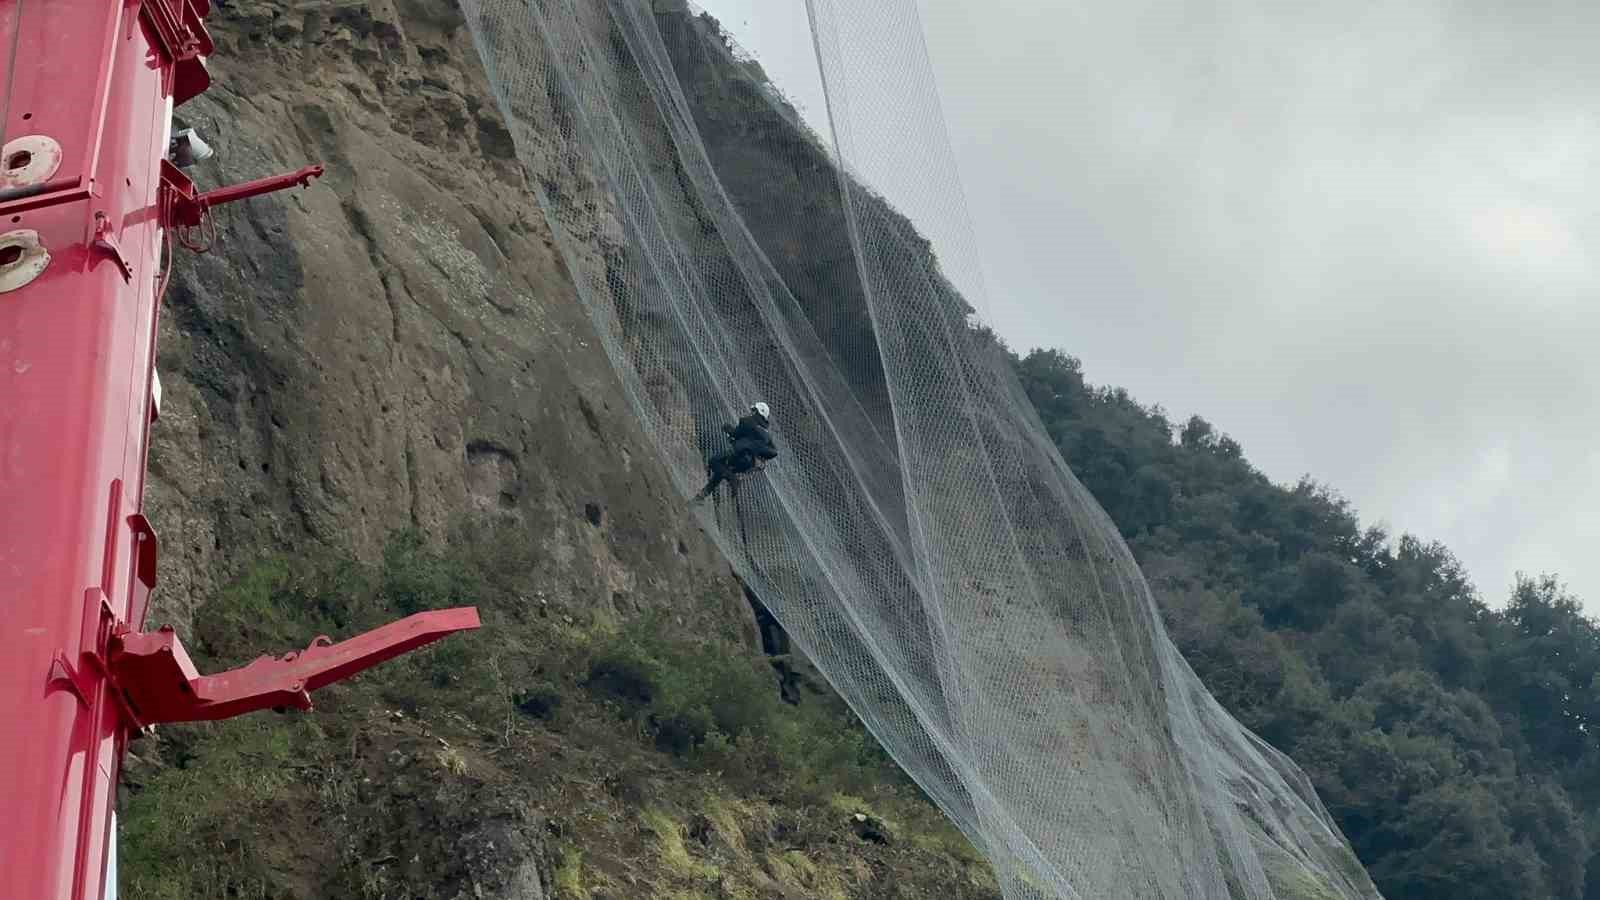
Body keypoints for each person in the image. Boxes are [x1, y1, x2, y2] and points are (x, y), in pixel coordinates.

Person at [695, 402, 778, 501]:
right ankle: (700, 497)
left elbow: (735, 434)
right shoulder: (767, 435)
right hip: (748, 464)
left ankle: (733, 479)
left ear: (757, 412)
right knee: (721, 471)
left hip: (737, 454)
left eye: (754, 410)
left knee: (713, 461)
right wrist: (757, 452)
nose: (751, 412)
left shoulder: (747, 421)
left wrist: (727, 428)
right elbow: (774, 452)